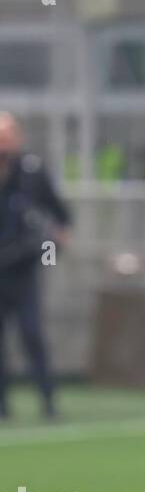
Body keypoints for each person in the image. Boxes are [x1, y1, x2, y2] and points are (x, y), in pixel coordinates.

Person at [0, 112, 71, 420]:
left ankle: (47, 400)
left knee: (32, 333)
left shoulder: (31, 171)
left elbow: (60, 216)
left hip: (23, 269)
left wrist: (51, 248)